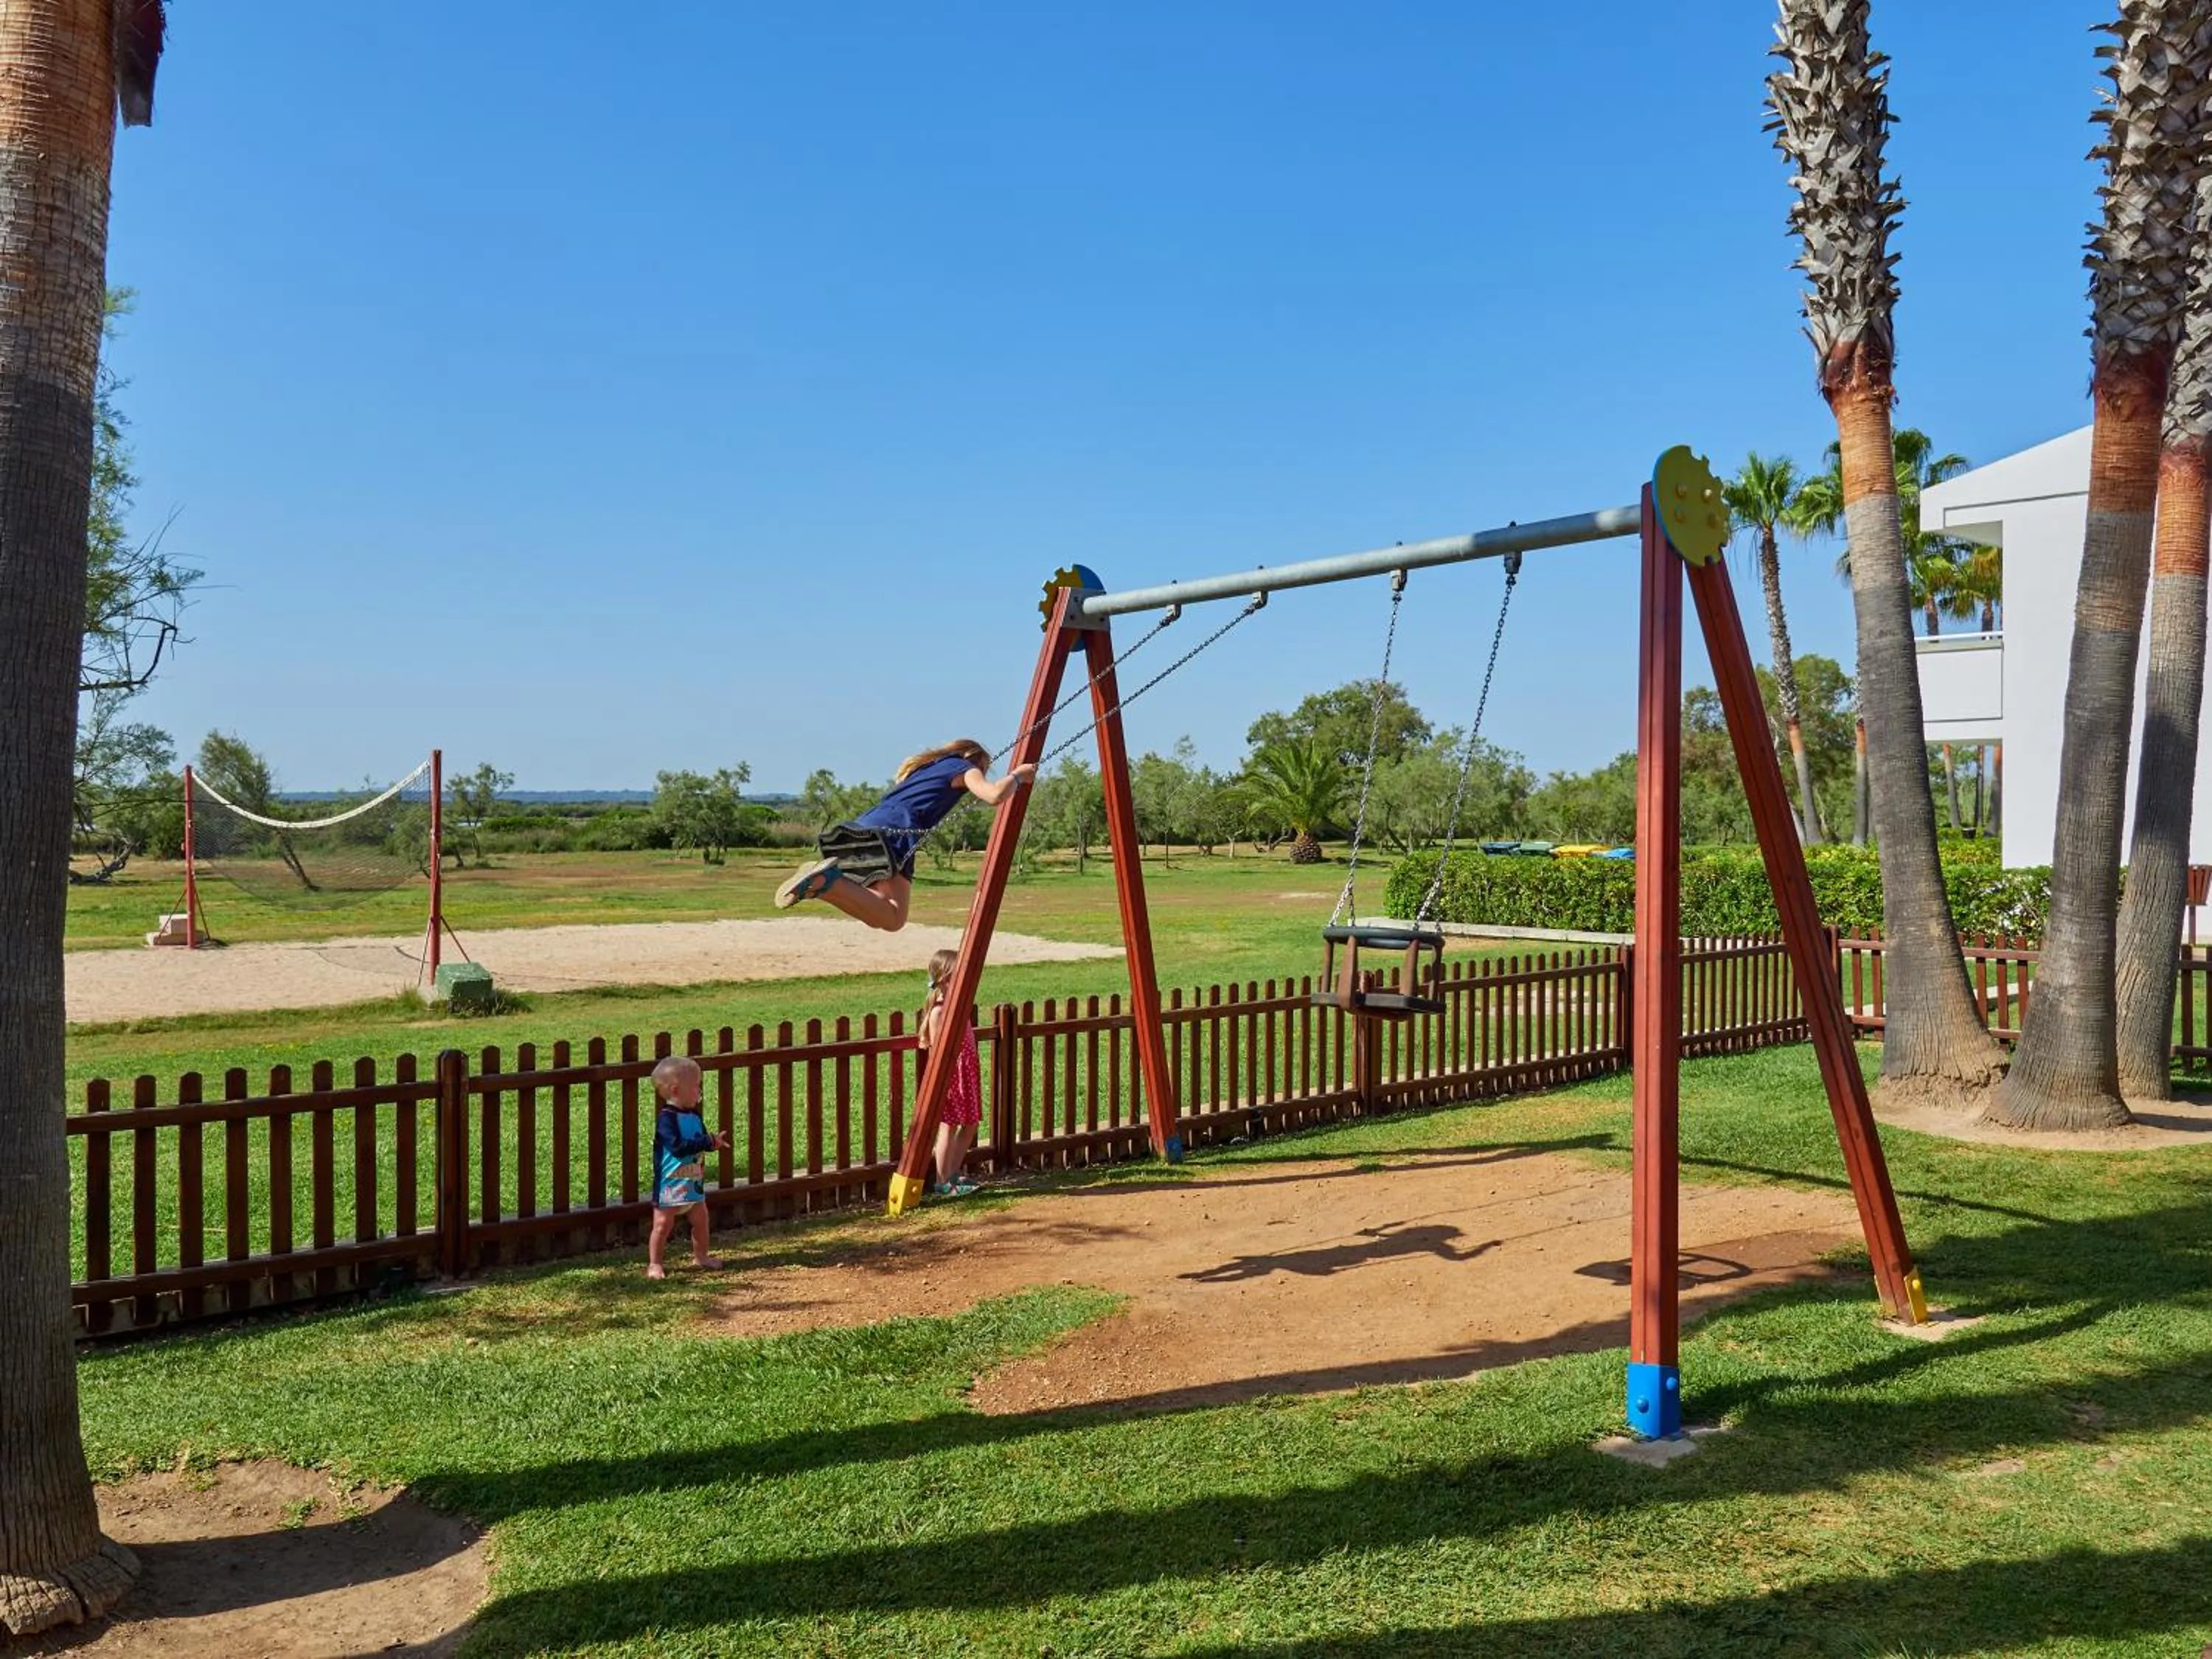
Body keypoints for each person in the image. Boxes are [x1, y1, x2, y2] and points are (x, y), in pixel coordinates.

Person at [774, 739, 1036, 932]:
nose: (983, 770)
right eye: (985, 766)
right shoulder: (964, 767)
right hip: (895, 833)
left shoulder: (923, 769)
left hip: (859, 828)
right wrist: (1017, 776)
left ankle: (821, 885)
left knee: (881, 915)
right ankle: (827, 881)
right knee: (893, 918)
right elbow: (994, 795)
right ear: (972, 756)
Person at [646, 1054, 731, 1279]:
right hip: (670, 1186)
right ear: (675, 1090)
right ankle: (655, 1264)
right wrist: (705, 1141)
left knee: (702, 1222)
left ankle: (701, 1256)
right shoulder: (667, 1119)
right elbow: (677, 1147)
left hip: (693, 1184)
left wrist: (713, 1142)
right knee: (662, 1226)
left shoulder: (693, 1116)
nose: (699, 1092)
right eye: (695, 1086)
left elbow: (700, 1140)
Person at [918, 947, 984, 1196]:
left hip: (967, 1074)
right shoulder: (938, 1012)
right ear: (946, 979)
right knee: (949, 1125)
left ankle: (954, 1173)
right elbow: (938, 1052)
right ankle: (943, 1182)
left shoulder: (959, 1006)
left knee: (970, 1123)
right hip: (950, 1076)